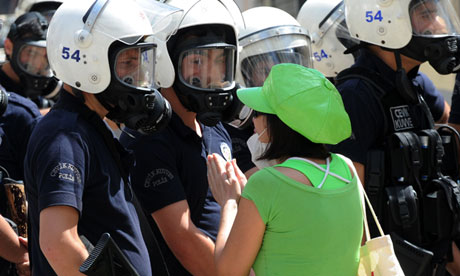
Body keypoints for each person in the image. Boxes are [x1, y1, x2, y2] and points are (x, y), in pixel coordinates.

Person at [23, 0, 179, 274]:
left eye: (140, 62)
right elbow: (58, 244)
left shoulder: (87, 127)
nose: (138, 77)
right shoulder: (64, 138)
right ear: (87, 62)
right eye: (128, 62)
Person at [332, 0, 460, 274]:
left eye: (437, 13)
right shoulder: (356, 95)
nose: (438, 26)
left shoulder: (414, 84)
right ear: (385, 24)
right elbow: (351, 206)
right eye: (426, 14)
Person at [207, 63, 363, 275]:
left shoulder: (266, 183)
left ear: (280, 124)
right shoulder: (346, 168)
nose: (253, 121)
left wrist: (230, 203)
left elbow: (227, 271)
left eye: (258, 113)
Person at [119, 0, 240, 275]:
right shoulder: (150, 139)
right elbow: (185, 242)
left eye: (220, 61)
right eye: (197, 61)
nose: (210, 74)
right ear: (165, 63)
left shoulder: (213, 128)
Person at [297, 0, 450, 123]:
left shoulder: (414, 80)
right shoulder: (354, 94)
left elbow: (449, 123)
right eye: (349, 35)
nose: (362, 39)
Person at [227, 6, 313, 177]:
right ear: (239, 73)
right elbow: (257, 188)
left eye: (287, 66)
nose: (278, 78)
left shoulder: (307, 120)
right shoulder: (232, 129)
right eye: (265, 70)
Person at [0, 12, 59, 111]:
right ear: (8, 47)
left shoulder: (45, 92)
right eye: (31, 53)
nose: (39, 64)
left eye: (46, 56)